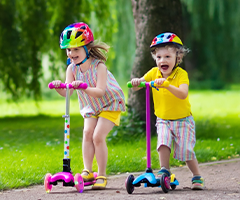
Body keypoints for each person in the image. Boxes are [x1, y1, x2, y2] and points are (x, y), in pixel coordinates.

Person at [51, 22, 126, 190]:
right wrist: (59, 87)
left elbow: (100, 91)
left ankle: (101, 174)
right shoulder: (71, 69)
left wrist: (84, 87)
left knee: (98, 136)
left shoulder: (99, 66)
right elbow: (68, 93)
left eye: (76, 49)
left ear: (87, 48)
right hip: (91, 106)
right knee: (87, 133)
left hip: (110, 103)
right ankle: (88, 171)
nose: (71, 53)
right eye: (69, 50)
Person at [130, 32, 205, 190]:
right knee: (162, 143)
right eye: (159, 57)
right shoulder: (153, 73)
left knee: (186, 151)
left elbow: (183, 94)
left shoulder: (181, 75)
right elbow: (137, 87)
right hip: (163, 119)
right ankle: (165, 172)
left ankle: (197, 176)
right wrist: (137, 81)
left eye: (167, 57)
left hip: (183, 120)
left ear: (177, 58)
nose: (162, 61)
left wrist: (166, 85)